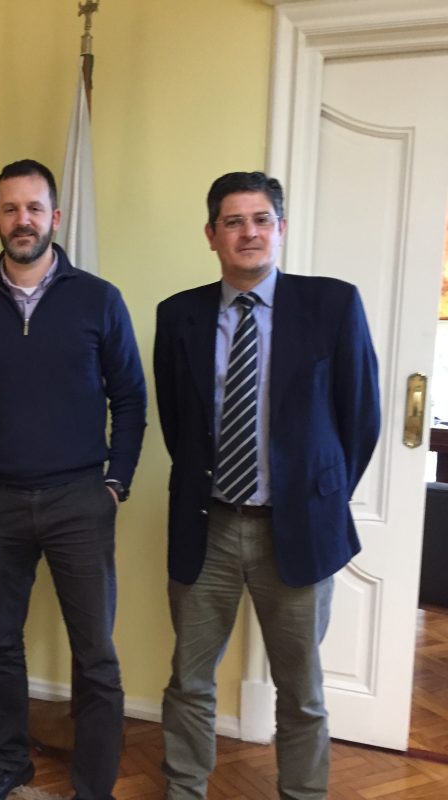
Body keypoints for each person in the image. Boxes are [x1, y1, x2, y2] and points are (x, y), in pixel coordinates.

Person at [153, 171, 380, 799]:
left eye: (260, 220)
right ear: (211, 235)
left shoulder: (333, 305)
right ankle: (184, 789)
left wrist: (318, 496)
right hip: (209, 527)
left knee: (301, 688)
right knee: (189, 679)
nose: (248, 233)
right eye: (233, 221)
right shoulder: (178, 315)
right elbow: (178, 423)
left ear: (280, 229)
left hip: (299, 529)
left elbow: (360, 417)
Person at [0, 159, 147, 800]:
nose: (22, 220)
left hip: (80, 501)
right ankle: (9, 762)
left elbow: (130, 398)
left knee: (96, 656)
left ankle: (94, 786)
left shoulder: (99, 299)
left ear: (55, 217)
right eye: (10, 209)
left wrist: (115, 484)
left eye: (34, 208)